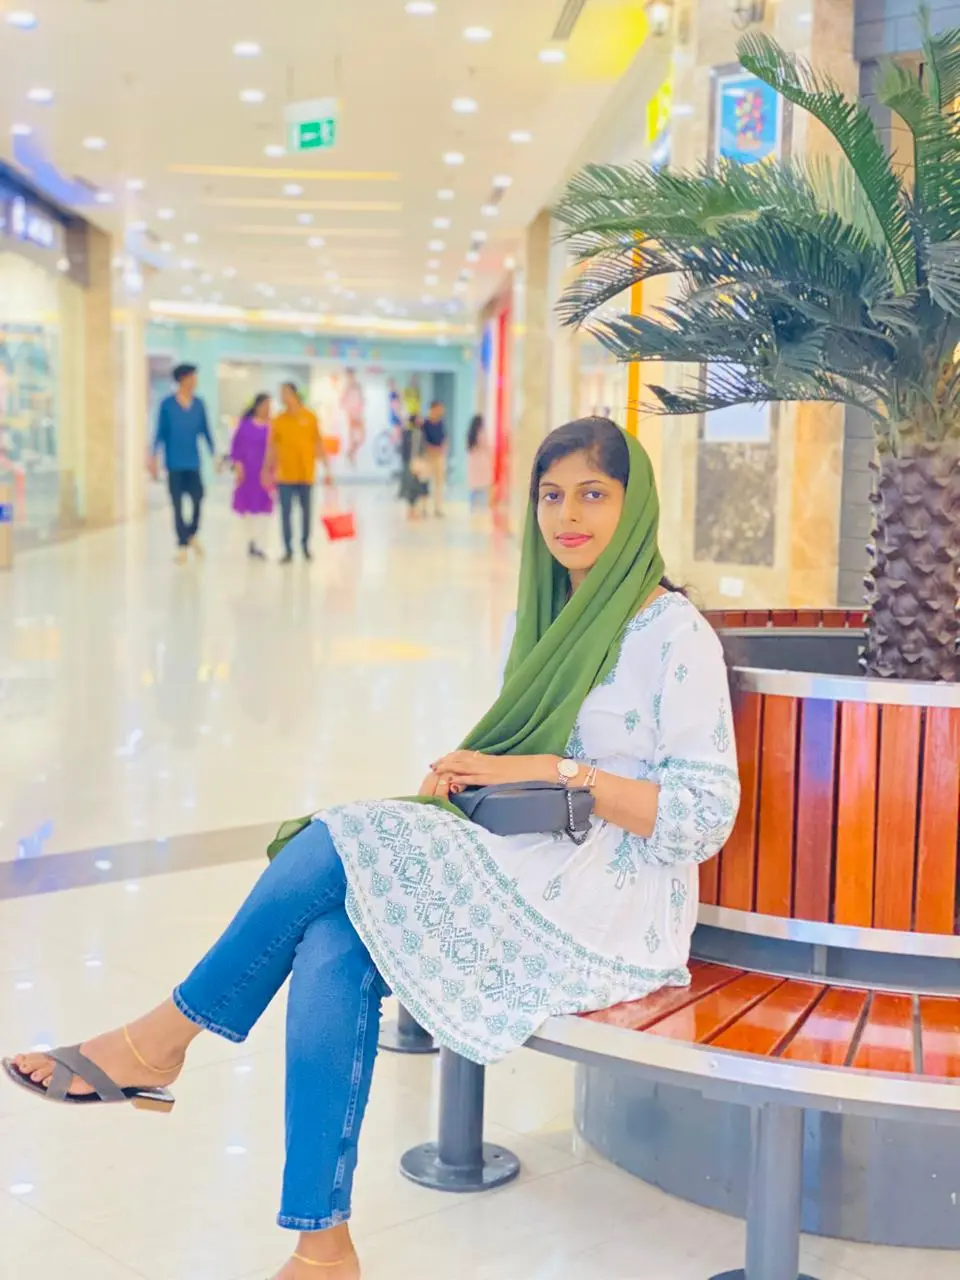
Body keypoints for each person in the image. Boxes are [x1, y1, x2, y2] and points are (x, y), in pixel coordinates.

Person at [3, 417, 740, 1280]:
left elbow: (702, 818)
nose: (567, 516)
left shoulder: (673, 634)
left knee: (337, 837)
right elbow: (519, 748)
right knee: (333, 939)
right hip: (530, 860)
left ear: (634, 504)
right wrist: (474, 772)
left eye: (593, 494)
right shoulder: (547, 614)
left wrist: (558, 770)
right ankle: (322, 1248)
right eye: (551, 495)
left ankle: (161, 1039)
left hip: (613, 903)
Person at [149, 363, 215, 564]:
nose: (195, 381)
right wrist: (153, 456)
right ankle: (182, 545)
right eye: (193, 377)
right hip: (174, 464)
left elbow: (206, 431)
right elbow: (160, 433)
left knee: (198, 499)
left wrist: (215, 454)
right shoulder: (167, 405)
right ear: (183, 379)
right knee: (177, 505)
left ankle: (191, 533)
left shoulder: (199, 405)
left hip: (193, 463)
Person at [264, 382, 331, 564]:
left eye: (285, 393)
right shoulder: (279, 420)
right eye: (281, 394)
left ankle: (305, 546)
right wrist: (266, 469)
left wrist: (327, 468)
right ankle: (288, 549)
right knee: (285, 513)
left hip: (305, 474)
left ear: (294, 395)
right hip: (285, 475)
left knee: (306, 512)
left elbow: (318, 443)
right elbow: (272, 447)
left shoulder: (310, 417)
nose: (283, 397)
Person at [229, 393, 274, 559]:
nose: (267, 409)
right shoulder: (245, 426)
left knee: (264, 509)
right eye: (264, 405)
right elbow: (236, 448)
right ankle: (251, 541)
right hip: (248, 472)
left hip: (265, 473)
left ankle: (260, 543)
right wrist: (238, 466)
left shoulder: (272, 427)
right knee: (248, 508)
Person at [398, 413, 429, 519]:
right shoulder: (406, 433)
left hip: (419, 462)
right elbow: (404, 449)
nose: (420, 421)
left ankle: (415, 510)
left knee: (417, 487)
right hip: (408, 462)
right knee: (409, 487)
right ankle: (410, 509)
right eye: (418, 419)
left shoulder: (422, 434)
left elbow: (423, 449)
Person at [421, 399, 448, 517]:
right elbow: (423, 441)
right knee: (425, 482)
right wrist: (431, 449)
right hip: (428, 457)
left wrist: (443, 448)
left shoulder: (441, 423)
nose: (441, 411)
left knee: (439, 483)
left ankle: (438, 508)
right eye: (439, 409)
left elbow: (444, 437)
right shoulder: (425, 424)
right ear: (432, 409)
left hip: (440, 457)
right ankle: (423, 508)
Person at [466, 412, 492, 511]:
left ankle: (472, 507)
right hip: (482, 461)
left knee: (474, 487)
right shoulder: (482, 433)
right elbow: (487, 447)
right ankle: (482, 508)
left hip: (473, 462)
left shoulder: (470, 435)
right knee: (483, 487)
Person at [341, 369, 365, 467]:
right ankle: (351, 456)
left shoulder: (357, 386)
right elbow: (343, 401)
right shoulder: (347, 387)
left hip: (357, 412)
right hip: (352, 413)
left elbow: (361, 398)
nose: (351, 378)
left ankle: (351, 455)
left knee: (360, 438)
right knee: (356, 437)